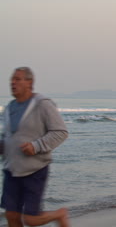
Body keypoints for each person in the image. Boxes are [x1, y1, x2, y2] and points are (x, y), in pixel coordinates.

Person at [0, 67, 70, 227]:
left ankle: (60, 214)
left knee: (30, 219)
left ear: (29, 82)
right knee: (11, 215)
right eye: (12, 79)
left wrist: (36, 146)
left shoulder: (42, 104)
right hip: (12, 170)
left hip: (35, 170)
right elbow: (9, 139)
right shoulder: (9, 108)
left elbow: (60, 132)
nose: (12, 82)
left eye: (18, 79)